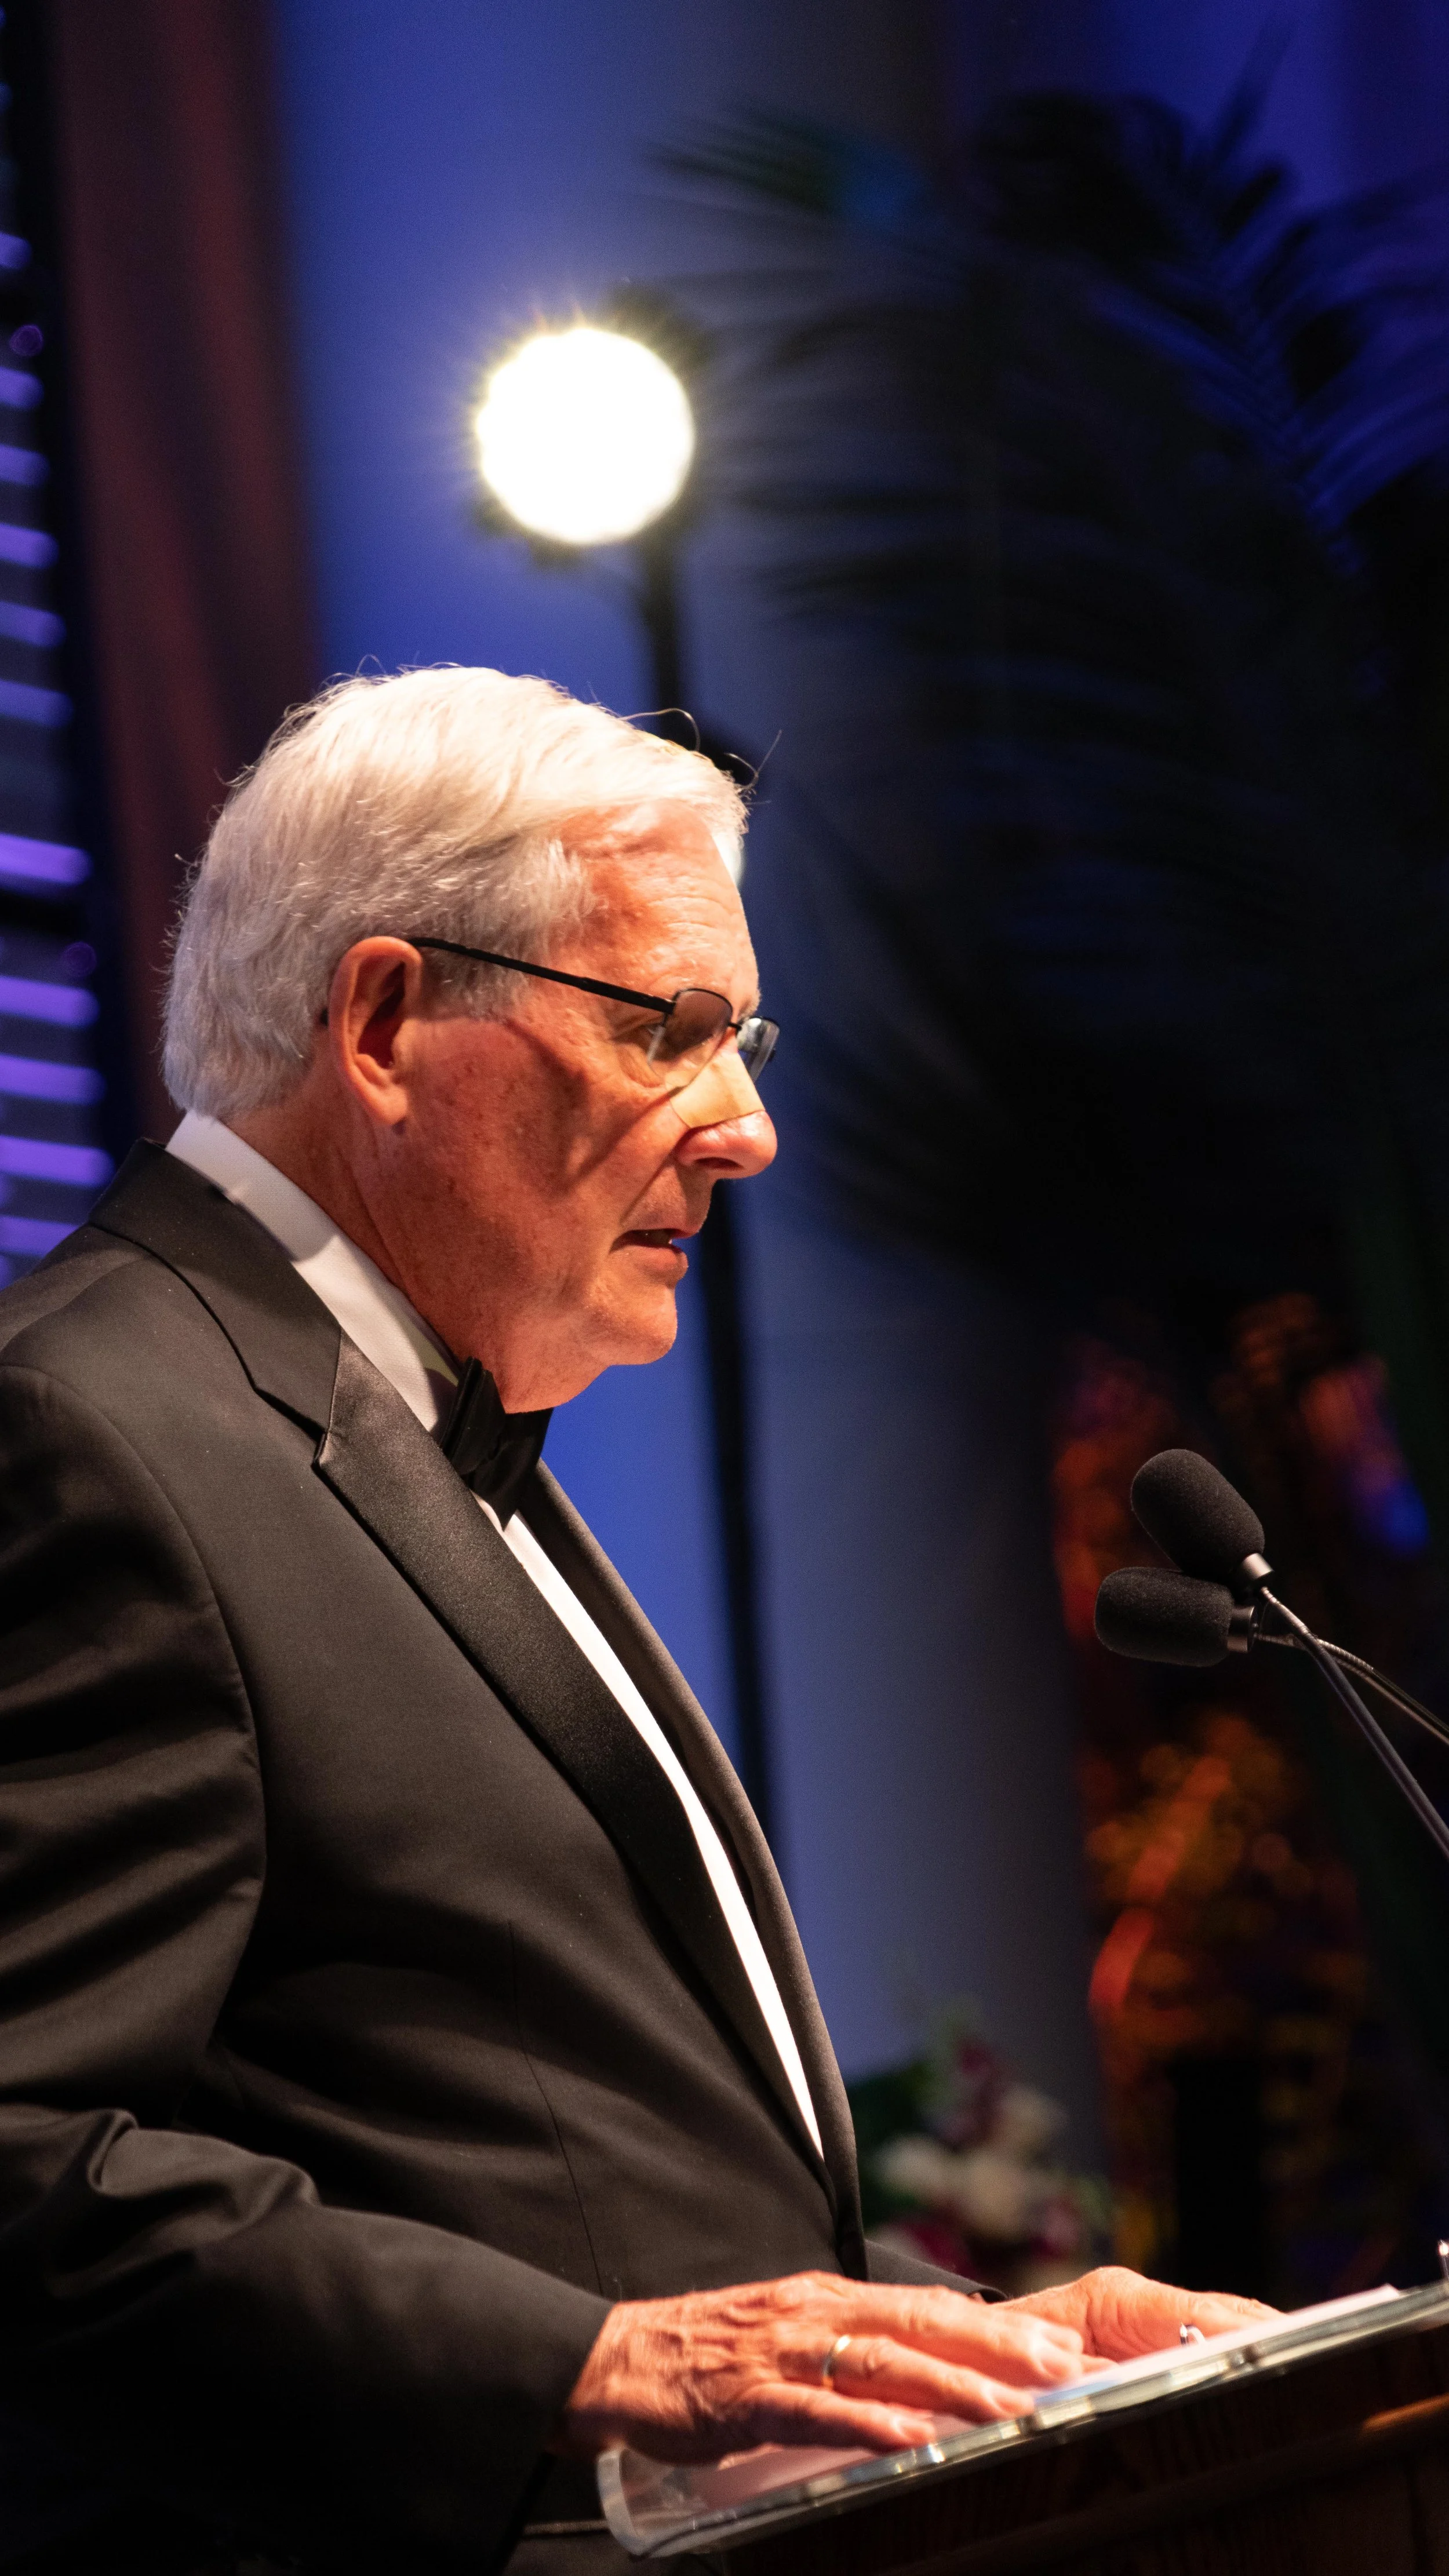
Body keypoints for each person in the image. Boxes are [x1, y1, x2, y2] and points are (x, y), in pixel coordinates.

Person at [0, 669, 1268, 2576]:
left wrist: (970, 2350)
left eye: (741, 1035)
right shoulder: (87, 1430)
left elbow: (546, 2167)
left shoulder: (420, 1424)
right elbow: (23, 2154)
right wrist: (594, 2363)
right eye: (672, 1028)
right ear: (383, 1019)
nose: (746, 1125)